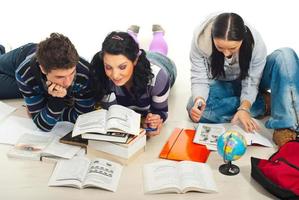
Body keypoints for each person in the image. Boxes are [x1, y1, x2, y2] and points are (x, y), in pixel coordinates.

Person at [187, 12, 299, 147]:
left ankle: (287, 125)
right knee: (192, 107)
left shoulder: (255, 42)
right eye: (220, 47)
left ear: (242, 38)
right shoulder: (200, 42)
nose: (227, 53)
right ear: (212, 36)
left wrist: (244, 108)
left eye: (232, 48)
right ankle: (265, 103)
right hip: (225, 83)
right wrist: (200, 100)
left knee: (285, 55)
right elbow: (199, 78)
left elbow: (252, 81)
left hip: (255, 79)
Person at [90, 25, 177, 136]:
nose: (115, 76)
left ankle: (158, 33)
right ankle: (131, 34)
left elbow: (161, 112)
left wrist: (155, 120)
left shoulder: (159, 77)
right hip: (133, 57)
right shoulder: (102, 75)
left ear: (135, 60)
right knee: (128, 49)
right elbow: (113, 113)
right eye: (108, 67)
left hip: (161, 62)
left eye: (122, 67)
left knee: (158, 51)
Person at [5, 33, 94, 131]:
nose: (68, 82)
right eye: (60, 77)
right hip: (21, 57)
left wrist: (56, 101)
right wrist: (45, 111)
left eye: (72, 73)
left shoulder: (85, 74)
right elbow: (42, 122)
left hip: (34, 79)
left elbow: (82, 118)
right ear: (43, 69)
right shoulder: (23, 74)